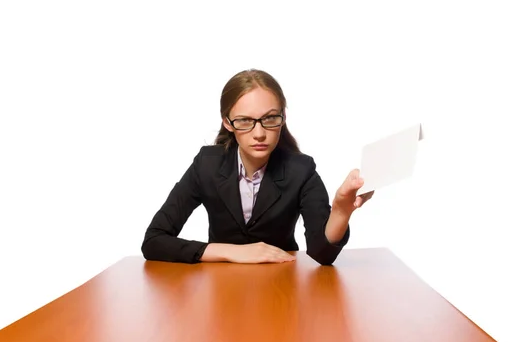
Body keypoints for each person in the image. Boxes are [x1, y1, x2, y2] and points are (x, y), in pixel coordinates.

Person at [141, 69, 374, 265]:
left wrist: (341, 211)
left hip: (281, 286)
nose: (260, 133)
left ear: (283, 116)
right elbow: (154, 241)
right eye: (245, 121)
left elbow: (321, 255)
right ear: (227, 122)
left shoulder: (301, 170)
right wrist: (231, 252)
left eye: (270, 118)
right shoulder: (207, 164)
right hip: (221, 288)